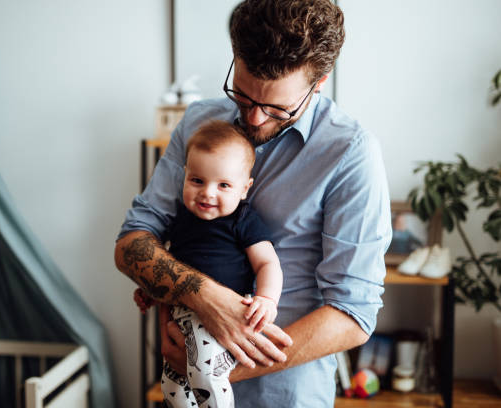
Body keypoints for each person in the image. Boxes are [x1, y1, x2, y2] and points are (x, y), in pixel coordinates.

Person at [115, 0, 392, 406]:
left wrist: (212, 368)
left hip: (284, 395)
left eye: (278, 107)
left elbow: (353, 316)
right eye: (243, 97)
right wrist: (204, 298)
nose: (256, 119)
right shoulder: (197, 125)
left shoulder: (351, 154)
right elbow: (131, 245)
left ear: (320, 82)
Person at [134, 120, 283, 407]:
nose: (208, 193)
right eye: (197, 181)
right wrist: (152, 290)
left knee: (205, 373)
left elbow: (267, 263)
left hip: (222, 318)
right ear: (185, 176)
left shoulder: (242, 220)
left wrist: (267, 299)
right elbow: (171, 269)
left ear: (244, 189)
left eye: (224, 185)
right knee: (172, 388)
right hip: (182, 315)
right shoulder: (179, 221)